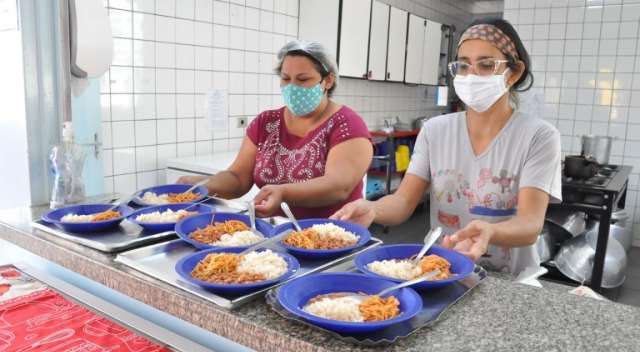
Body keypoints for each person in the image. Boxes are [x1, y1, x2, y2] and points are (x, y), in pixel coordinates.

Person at [331, 18, 562, 276]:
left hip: (509, 280)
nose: (471, 76)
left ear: (514, 73)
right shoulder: (435, 131)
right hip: (442, 271)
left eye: (486, 65)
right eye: (463, 66)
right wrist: (373, 209)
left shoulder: (538, 136)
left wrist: (491, 231)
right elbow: (403, 201)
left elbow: (530, 224)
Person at [178, 40, 373, 219]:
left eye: (303, 79)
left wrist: (284, 192)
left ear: (328, 81)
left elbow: (338, 186)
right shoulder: (266, 123)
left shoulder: (347, 125)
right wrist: (202, 186)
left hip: (330, 238)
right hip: (273, 232)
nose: (292, 87)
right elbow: (238, 178)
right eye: (286, 78)